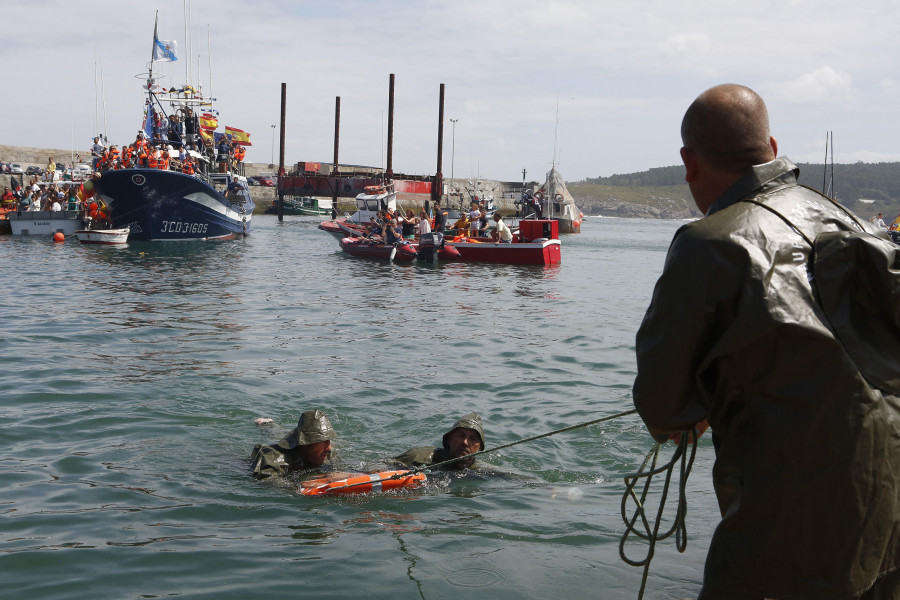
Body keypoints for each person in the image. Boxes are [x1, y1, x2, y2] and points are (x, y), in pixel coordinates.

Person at [632, 84, 900, 598]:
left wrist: (693, 412)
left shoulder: (709, 242)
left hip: (800, 509)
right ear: (772, 147)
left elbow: (662, 406)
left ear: (690, 162)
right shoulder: (849, 219)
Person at [250, 409, 337, 480]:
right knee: (277, 436)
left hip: (300, 441)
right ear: (306, 443)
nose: (329, 448)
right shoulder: (275, 458)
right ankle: (267, 424)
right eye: (322, 441)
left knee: (282, 434)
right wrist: (298, 486)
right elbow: (267, 481)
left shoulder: (327, 453)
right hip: (291, 447)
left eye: (328, 440)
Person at [393, 412, 485, 471]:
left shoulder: (482, 471)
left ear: (480, 448)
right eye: (461, 435)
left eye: (472, 439)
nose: (465, 442)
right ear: (449, 439)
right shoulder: (419, 457)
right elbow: (382, 465)